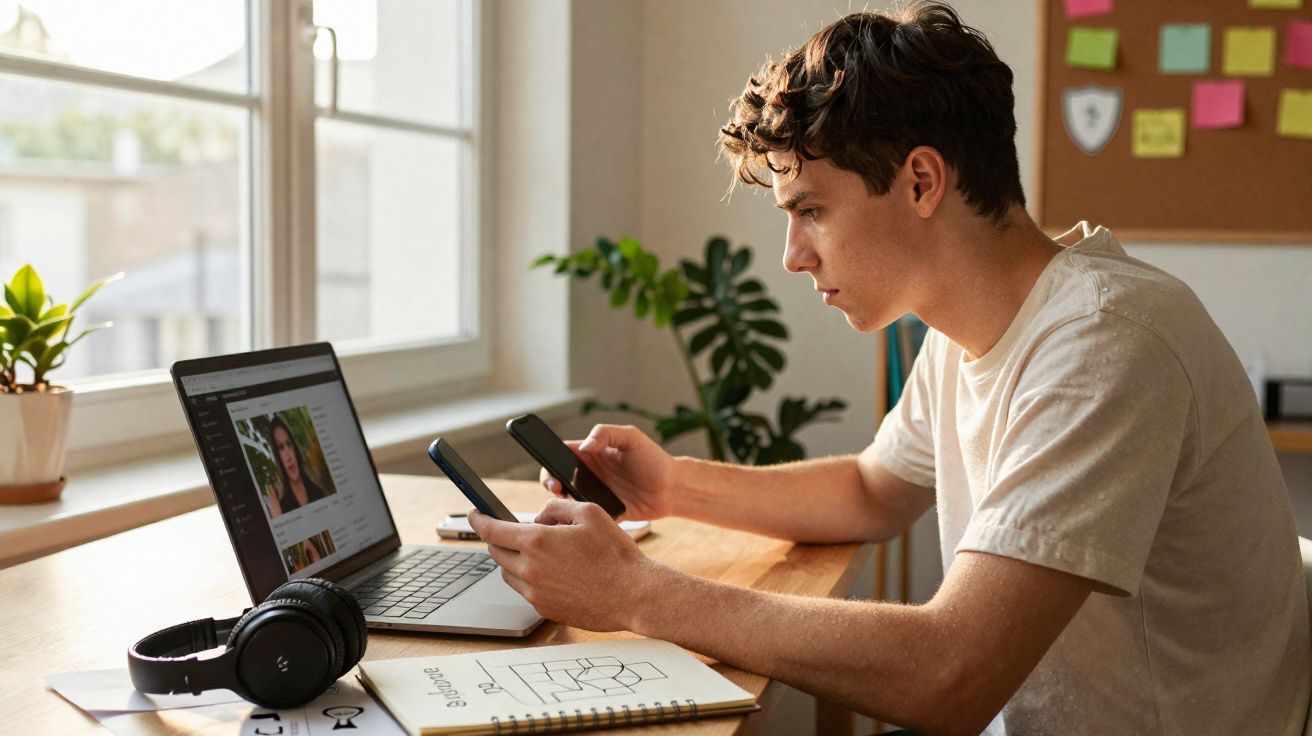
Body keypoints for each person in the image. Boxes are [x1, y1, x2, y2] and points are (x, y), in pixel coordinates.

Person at [469, 4, 1310, 734]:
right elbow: (873, 491)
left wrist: (636, 593)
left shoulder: (1106, 342)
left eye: (810, 210)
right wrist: (671, 484)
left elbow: (949, 676)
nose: (793, 256)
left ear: (921, 182)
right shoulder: (966, 326)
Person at [268, 415, 330, 515]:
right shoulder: (281, 511)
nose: (288, 456)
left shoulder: (320, 493)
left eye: (289, 444)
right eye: (281, 447)